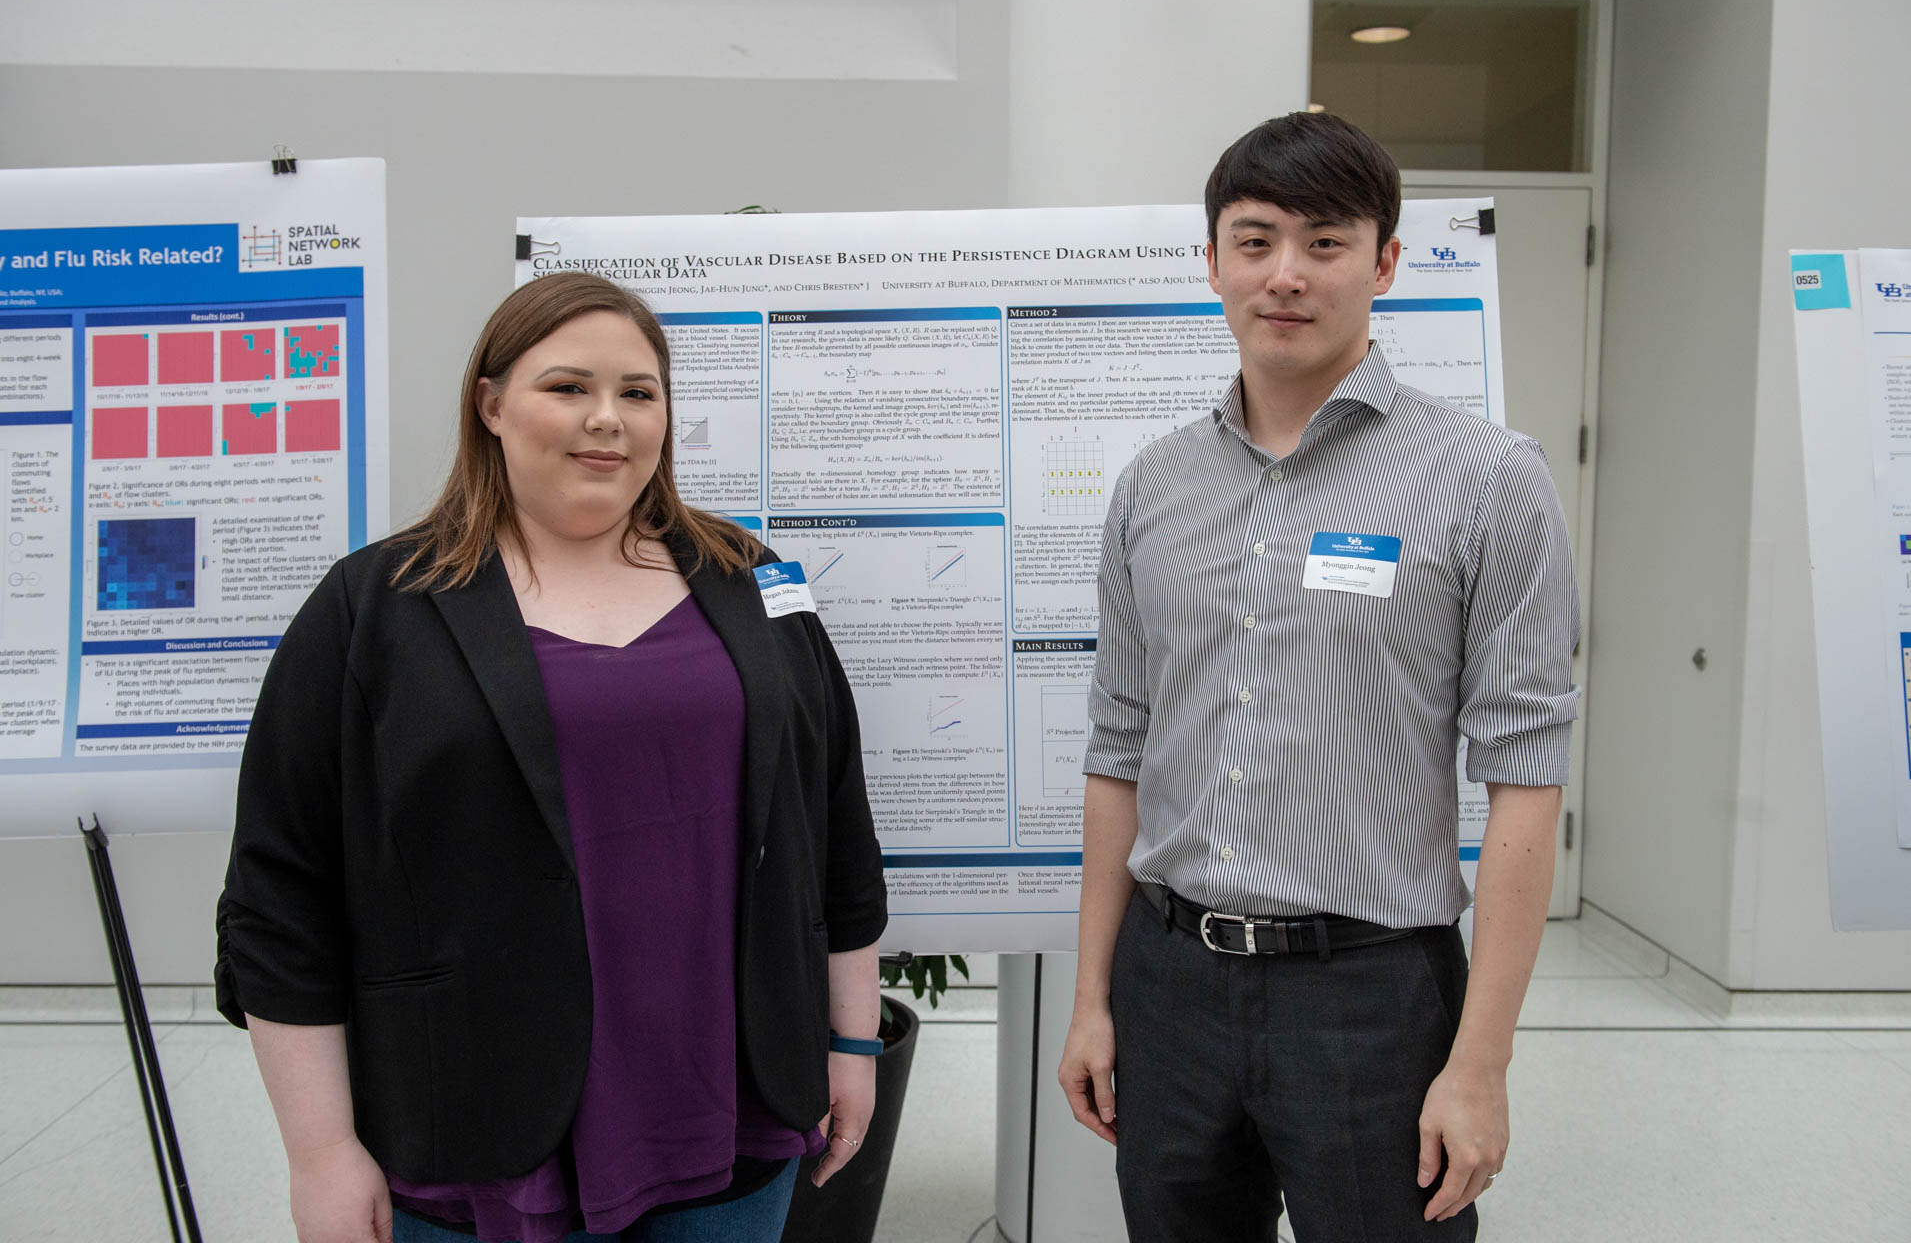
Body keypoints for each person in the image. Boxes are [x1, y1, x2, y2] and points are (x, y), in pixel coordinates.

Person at [215, 272, 889, 1243]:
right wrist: (319, 1152)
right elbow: (279, 893)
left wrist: (851, 1041)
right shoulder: (375, 610)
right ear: (490, 404)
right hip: (475, 1127)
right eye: (568, 387)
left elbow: (835, 827)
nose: (606, 418)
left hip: (733, 1113)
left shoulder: (751, 581)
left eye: (637, 392)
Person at [1057, 112, 1579, 1241]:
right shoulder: (1154, 486)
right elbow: (1119, 747)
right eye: (1254, 241)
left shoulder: (1488, 479)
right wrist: (1093, 998)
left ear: (1384, 263)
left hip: (1371, 996)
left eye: (1325, 242)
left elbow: (1526, 780)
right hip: (1168, 981)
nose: (1285, 274)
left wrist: (1480, 1065)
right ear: (1212, 262)